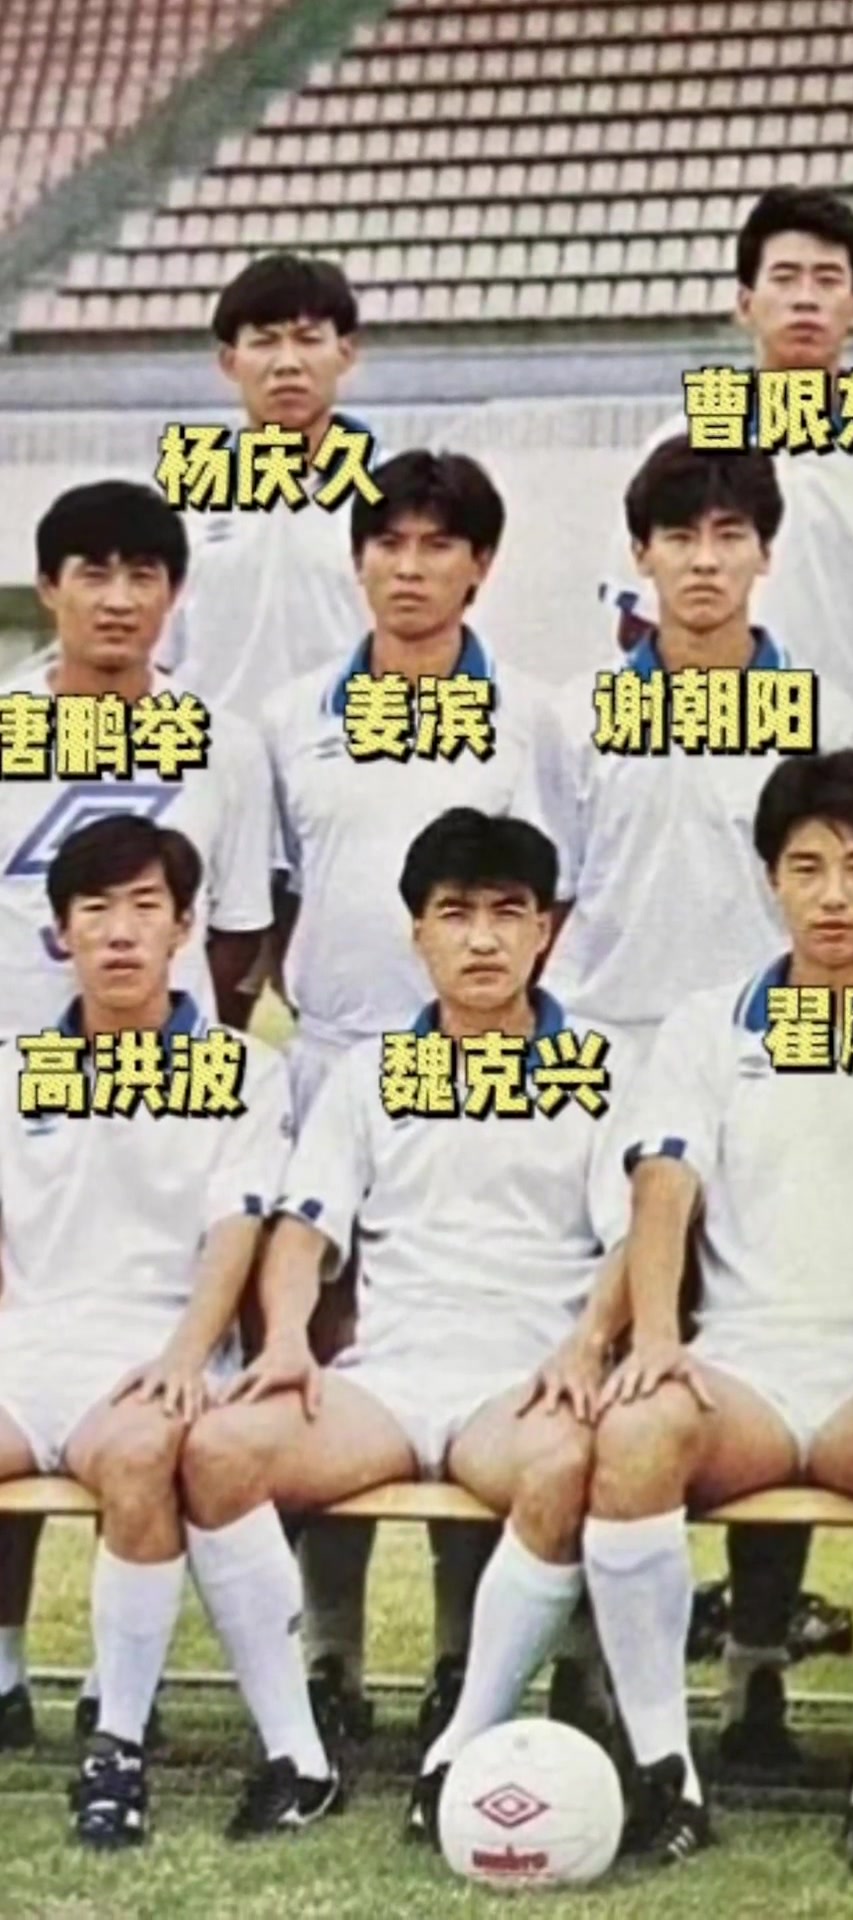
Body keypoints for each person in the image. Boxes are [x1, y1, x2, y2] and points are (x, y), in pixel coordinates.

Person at [577, 750, 853, 1869]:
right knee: (634, 1433)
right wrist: (657, 1338)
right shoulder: (706, 1023)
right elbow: (664, 1180)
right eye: (807, 867)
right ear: (770, 877)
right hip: (749, 1370)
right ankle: (664, 1775)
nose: (833, 895)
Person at [178, 809, 632, 1840]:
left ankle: (456, 1753)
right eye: (455, 914)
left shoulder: (599, 1066)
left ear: (545, 930)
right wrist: (285, 1341)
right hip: (391, 1376)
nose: (483, 940)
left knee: (564, 1467)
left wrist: (586, 1344)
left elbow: (631, 1238)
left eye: (508, 914)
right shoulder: (372, 1071)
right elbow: (304, 1230)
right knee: (218, 1449)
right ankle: (298, 1756)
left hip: (520, 1381)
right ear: (418, 932)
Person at [262, 449, 562, 1740]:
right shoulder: (292, 716)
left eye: (441, 544)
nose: (411, 567)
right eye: (388, 542)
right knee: (330, 1366)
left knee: (481, 1349)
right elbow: (268, 902)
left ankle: (459, 1655)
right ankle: (328, 1657)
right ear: (357, 560)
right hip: (341, 1065)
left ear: (481, 566)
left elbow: (554, 886)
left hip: (488, 1068)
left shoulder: (532, 717)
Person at [0, 480, 274, 1752]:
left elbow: (243, 928)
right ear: (48, 587)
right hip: (25, 1095)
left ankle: (146, 1693)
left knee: (158, 1398)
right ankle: (4, 1669)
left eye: (143, 575)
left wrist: (179, 1038)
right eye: (91, 573)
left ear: (174, 593)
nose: (117, 600)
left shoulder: (221, 742)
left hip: (167, 1093)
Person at [0, 814, 295, 1848]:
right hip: (25, 1351)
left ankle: (116, 1744)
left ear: (184, 928)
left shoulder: (244, 1071)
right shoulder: (14, 1065)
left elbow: (236, 1227)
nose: (120, 931)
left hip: (151, 1352)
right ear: (60, 933)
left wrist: (184, 1357)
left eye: (144, 907)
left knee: (137, 1458)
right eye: (95, 909)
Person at [521, 433, 853, 1057]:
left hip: (767, 1040)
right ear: (640, 554)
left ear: (766, 552)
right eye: (680, 537)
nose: (705, 561)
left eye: (729, 536)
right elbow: (547, 895)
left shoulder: (828, 722)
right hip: (606, 1038)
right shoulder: (575, 716)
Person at [601, 187, 853, 696]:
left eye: (828, 280)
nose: (805, 298)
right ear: (745, 303)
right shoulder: (677, 443)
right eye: (784, 277)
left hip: (847, 737)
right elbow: (637, 623)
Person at [160, 251, 380, 715]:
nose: (287, 364)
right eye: (264, 342)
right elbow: (155, 655)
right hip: (210, 747)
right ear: (229, 362)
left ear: (346, 353)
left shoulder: (391, 492)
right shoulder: (184, 500)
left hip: (348, 743)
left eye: (308, 340)